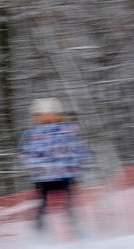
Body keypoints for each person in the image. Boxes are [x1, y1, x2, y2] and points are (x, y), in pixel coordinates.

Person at [19, 98, 93, 234]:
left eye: (49, 114)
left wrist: (83, 161)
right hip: (43, 177)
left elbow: (78, 147)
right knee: (42, 207)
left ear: (58, 114)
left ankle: (78, 232)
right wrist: (34, 165)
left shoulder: (67, 131)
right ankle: (39, 236)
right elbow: (25, 153)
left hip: (64, 174)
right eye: (40, 115)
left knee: (69, 206)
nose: (45, 118)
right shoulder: (31, 135)